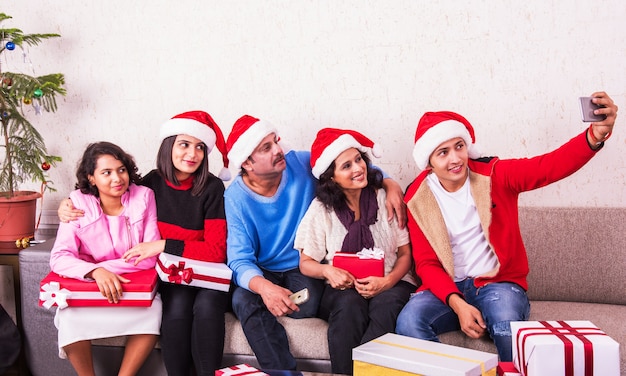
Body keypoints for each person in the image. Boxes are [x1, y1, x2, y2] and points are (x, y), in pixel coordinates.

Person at [395, 92, 618, 361]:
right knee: (408, 323)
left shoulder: (495, 175)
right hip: (446, 288)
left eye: (459, 146)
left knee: (506, 326)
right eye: (443, 152)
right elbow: (427, 264)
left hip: (497, 284)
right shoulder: (417, 197)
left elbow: (547, 167)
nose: (455, 159)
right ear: (428, 162)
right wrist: (458, 304)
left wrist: (593, 137)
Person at [224, 115, 407, 370]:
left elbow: (348, 164)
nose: (278, 150)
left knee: (310, 303)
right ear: (246, 162)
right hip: (262, 269)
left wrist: (391, 183)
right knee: (244, 301)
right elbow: (239, 259)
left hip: (302, 265)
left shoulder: (298, 162)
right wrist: (265, 289)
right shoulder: (235, 197)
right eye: (266, 148)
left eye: (275, 141)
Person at [59, 111, 231, 376]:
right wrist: (66, 205)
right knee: (175, 312)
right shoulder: (150, 185)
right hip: (173, 275)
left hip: (208, 273)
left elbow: (216, 251)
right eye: (184, 144)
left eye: (200, 147)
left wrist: (164, 245)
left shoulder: (212, 187)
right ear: (168, 146)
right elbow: (109, 190)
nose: (192, 154)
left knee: (207, 310)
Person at [294, 128, 418, 375]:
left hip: (391, 281)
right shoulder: (322, 210)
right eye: (346, 166)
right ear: (331, 178)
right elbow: (306, 262)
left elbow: (405, 254)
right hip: (343, 290)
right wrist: (328, 271)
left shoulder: (385, 198)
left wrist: (387, 281)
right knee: (349, 305)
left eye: (359, 160)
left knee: (386, 305)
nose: (358, 168)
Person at [50, 142, 162, 376]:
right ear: (91, 178)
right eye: (106, 172)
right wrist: (95, 273)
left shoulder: (144, 197)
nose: (117, 178)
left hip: (133, 286)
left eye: (121, 170)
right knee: (68, 315)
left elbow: (149, 256)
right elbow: (60, 257)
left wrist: (97, 266)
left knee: (155, 310)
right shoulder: (76, 203)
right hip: (91, 287)